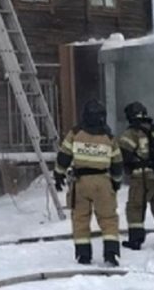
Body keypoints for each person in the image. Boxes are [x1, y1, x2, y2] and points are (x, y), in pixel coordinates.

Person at [54, 99, 124, 266]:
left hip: (81, 183)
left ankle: (84, 255)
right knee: (108, 219)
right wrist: (116, 182)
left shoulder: (75, 133)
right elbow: (117, 163)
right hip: (103, 182)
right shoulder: (109, 136)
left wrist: (58, 175)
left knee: (80, 219)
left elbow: (64, 156)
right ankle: (111, 254)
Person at [117, 102, 154, 251]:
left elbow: (123, 153)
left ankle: (135, 240)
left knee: (135, 207)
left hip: (142, 176)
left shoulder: (131, 133)